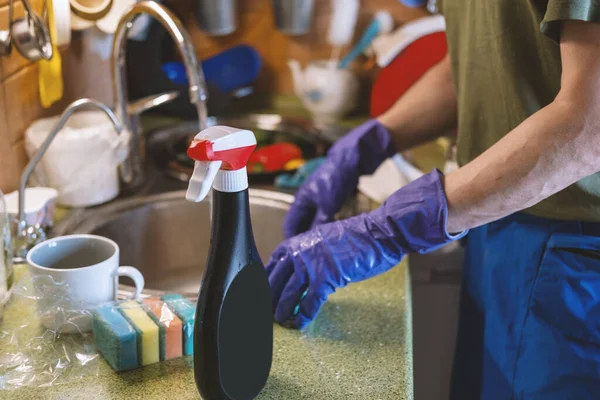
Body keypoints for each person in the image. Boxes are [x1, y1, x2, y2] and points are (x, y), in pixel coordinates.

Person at [265, 0, 600, 398]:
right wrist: (373, 141)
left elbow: (589, 123)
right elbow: (478, 61)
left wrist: (387, 229)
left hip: (571, 252)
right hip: (495, 221)